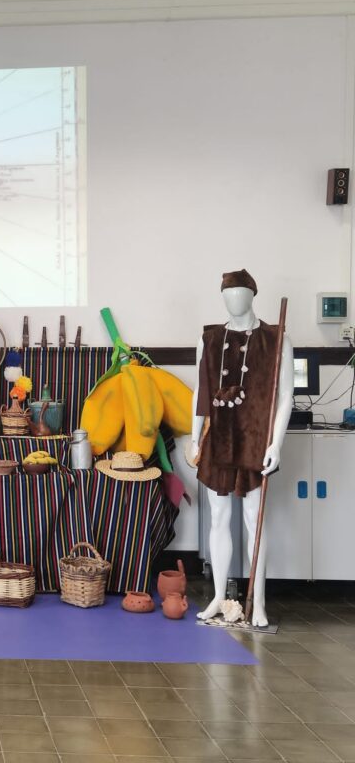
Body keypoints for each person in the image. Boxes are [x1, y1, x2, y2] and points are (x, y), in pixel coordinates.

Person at [190, 269, 293, 628]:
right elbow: (200, 391)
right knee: (218, 519)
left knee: (254, 520)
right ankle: (219, 597)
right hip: (218, 437)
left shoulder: (276, 339)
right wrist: (194, 437)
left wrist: (276, 443)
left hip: (254, 439)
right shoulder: (209, 338)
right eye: (227, 295)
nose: (233, 301)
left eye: (239, 294)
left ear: (252, 295)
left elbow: (285, 397)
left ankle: (257, 601)